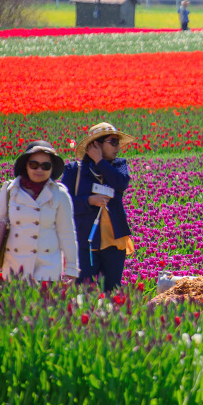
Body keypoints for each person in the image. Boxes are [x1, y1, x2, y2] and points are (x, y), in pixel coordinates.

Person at [0, 141, 79, 282]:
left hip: (47, 267)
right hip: (15, 265)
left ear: (52, 169)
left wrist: (72, 267)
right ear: (26, 166)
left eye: (45, 166)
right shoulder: (10, 190)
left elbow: (67, 233)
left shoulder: (60, 194)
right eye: (34, 165)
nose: (39, 170)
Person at [62, 122, 136, 291]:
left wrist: (100, 161)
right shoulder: (75, 170)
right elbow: (65, 203)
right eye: (113, 142)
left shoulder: (119, 166)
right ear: (96, 144)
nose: (118, 147)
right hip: (85, 241)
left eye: (118, 142)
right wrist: (89, 200)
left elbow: (121, 184)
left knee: (112, 290)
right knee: (85, 291)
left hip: (114, 240)